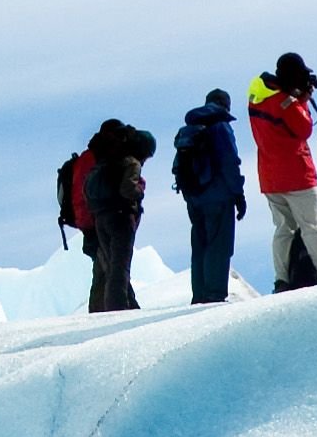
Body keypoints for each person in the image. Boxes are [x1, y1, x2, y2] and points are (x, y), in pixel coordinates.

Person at [247, 55, 317, 289]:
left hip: (270, 177)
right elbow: (304, 128)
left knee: (283, 230)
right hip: (297, 176)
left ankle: (282, 279)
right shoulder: (287, 103)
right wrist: (303, 101)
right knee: (313, 228)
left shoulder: (258, 95)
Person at [172, 89, 247, 304]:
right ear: (226, 106)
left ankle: (200, 294)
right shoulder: (220, 126)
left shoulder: (188, 130)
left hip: (194, 197)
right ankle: (214, 295)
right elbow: (229, 162)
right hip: (219, 195)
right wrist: (238, 194)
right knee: (219, 244)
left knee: (200, 244)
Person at [83, 120, 156, 312]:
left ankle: (121, 306)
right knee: (119, 267)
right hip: (121, 218)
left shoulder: (106, 161)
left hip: (100, 217)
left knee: (111, 265)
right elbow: (127, 189)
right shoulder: (131, 162)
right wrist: (139, 190)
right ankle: (118, 309)